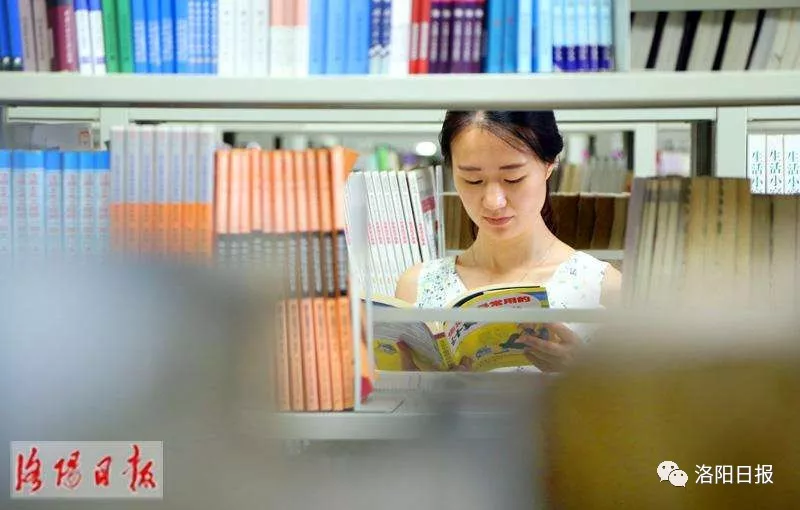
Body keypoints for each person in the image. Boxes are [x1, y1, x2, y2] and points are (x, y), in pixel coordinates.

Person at [395, 110, 622, 372]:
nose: (494, 202)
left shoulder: (604, 288)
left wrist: (583, 373)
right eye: (473, 180)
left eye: (513, 179)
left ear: (549, 165)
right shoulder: (417, 287)